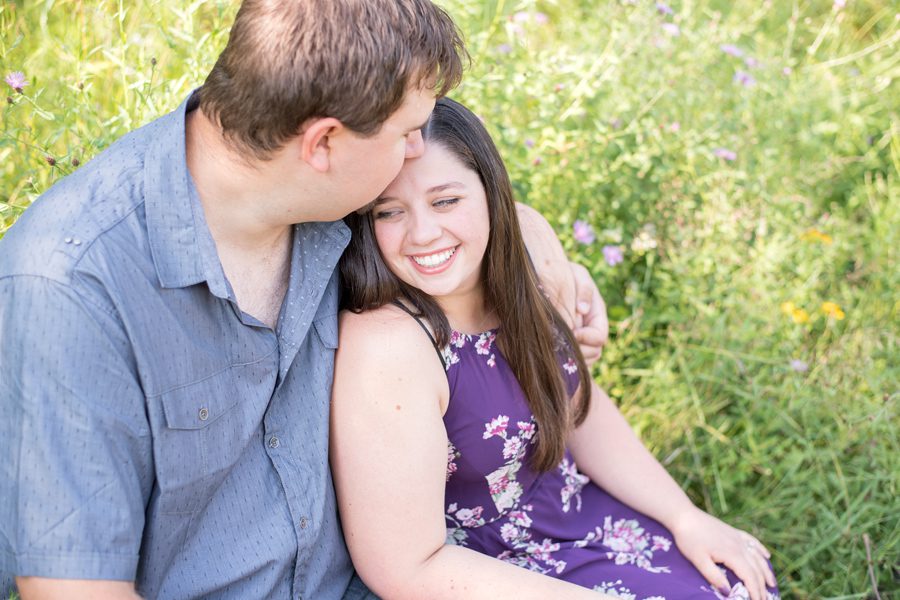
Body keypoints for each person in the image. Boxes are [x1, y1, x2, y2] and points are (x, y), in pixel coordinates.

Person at [0, 2, 609, 599]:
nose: (418, 149)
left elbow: (468, 215)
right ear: (323, 145)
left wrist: (553, 262)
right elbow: (71, 589)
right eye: (406, 133)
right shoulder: (70, 289)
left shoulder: (324, 202)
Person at [332, 97, 780, 600]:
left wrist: (685, 517)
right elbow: (407, 569)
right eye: (389, 211)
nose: (423, 233)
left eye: (445, 201)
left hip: (564, 511)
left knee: (735, 585)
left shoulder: (522, 276)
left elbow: (575, 411)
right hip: (475, 571)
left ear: (490, 192)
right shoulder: (390, 348)